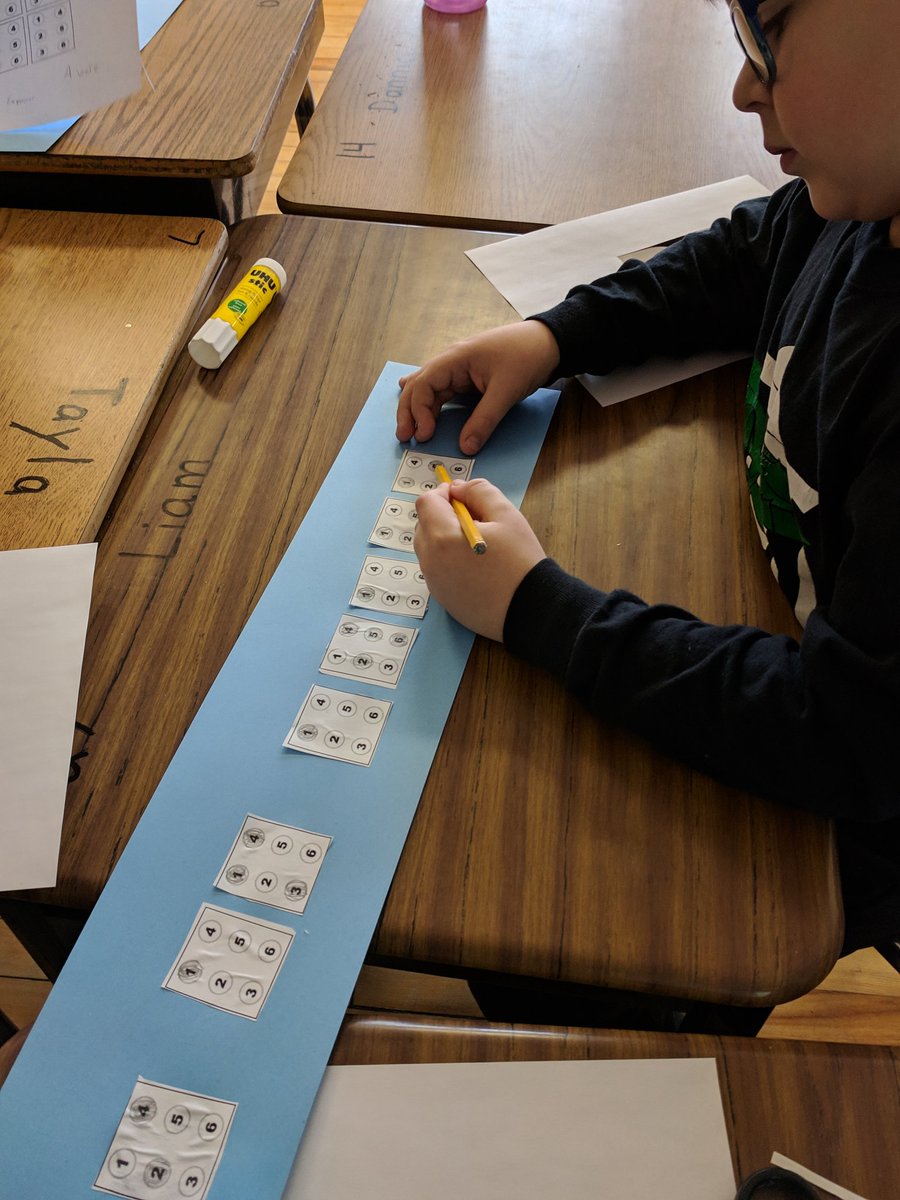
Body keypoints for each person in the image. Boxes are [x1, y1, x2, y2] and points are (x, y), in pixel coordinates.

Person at [396, 0, 900, 959]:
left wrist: (540, 609)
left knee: (559, 935)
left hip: (837, 830)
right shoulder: (865, 198)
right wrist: (562, 334)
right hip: (766, 620)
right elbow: (756, 250)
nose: (744, 88)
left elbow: (847, 736)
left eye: (767, 46)